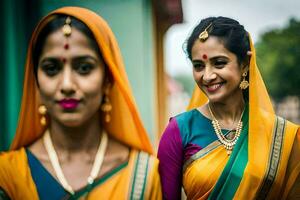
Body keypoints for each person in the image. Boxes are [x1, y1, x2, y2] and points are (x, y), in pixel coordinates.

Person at [0, 7, 161, 199]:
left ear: (108, 80)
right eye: (51, 69)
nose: (67, 84)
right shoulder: (8, 175)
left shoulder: (144, 176)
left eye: (84, 68)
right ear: (36, 82)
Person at [158, 16, 300, 199]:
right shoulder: (179, 131)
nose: (207, 76)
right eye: (199, 66)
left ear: (244, 64)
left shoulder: (281, 136)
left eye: (219, 63)